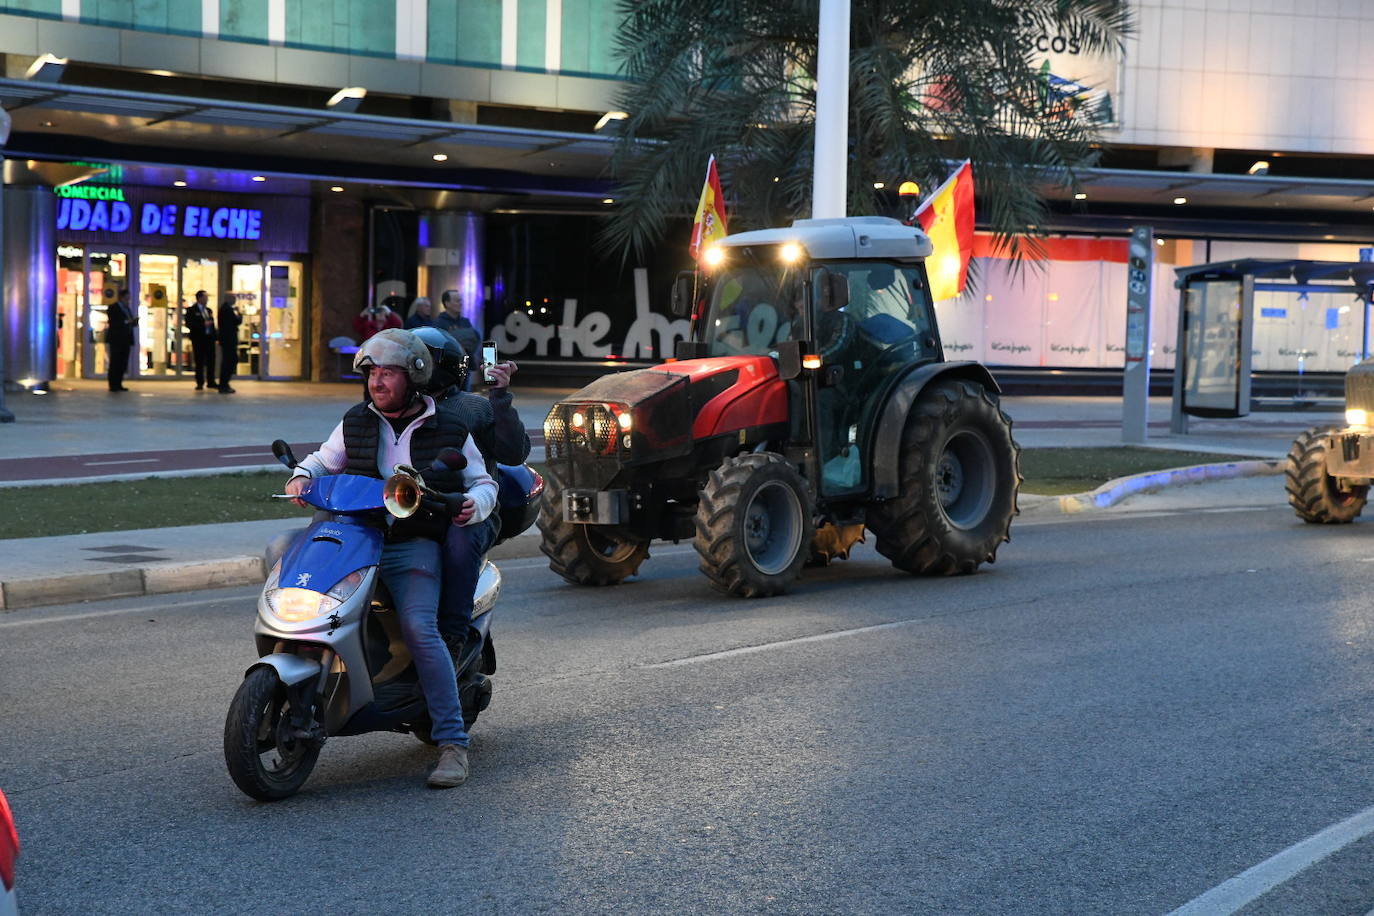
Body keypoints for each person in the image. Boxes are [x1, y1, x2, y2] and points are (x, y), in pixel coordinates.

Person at [284, 328, 496, 789]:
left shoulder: (450, 427)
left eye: (388, 375)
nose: (377, 383)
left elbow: (484, 484)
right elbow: (326, 458)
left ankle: (452, 745)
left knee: (422, 629)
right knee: (292, 576)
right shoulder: (357, 419)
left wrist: (472, 506)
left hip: (410, 543)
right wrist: (303, 476)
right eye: (373, 374)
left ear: (414, 377)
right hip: (355, 536)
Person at [410, 326, 531, 659]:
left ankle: (453, 635)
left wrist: (500, 397)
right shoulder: (396, 404)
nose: (410, 365)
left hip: (468, 508)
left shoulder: (472, 408)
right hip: (408, 505)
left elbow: (513, 453)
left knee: (459, 543)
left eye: (419, 358)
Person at [433, 290, 481, 389]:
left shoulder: (465, 322)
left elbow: (474, 341)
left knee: (464, 394)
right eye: (457, 301)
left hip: (464, 364)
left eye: (460, 300)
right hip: (447, 368)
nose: (460, 303)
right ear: (447, 303)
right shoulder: (439, 323)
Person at [183, 289, 217, 391]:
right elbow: (190, 324)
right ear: (200, 298)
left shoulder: (208, 310)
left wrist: (215, 336)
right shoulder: (191, 310)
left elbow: (212, 325)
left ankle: (211, 381)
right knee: (199, 361)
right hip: (198, 339)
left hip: (209, 339)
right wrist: (203, 325)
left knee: (211, 360)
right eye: (205, 297)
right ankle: (200, 382)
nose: (207, 299)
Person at [105, 288, 137, 392]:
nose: (129, 299)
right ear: (122, 297)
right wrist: (127, 322)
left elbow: (128, 321)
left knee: (123, 362)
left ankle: (119, 383)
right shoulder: (113, 308)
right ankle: (113, 384)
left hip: (126, 338)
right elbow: (115, 323)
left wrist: (133, 322)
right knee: (115, 361)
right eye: (127, 297)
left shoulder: (127, 308)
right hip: (116, 339)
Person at [217, 291, 242, 393]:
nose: (235, 300)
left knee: (229, 361)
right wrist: (239, 315)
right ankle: (224, 384)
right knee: (229, 361)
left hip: (227, 340)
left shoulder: (225, 309)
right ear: (229, 299)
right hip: (229, 340)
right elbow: (236, 322)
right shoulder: (227, 310)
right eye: (233, 298)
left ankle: (224, 383)